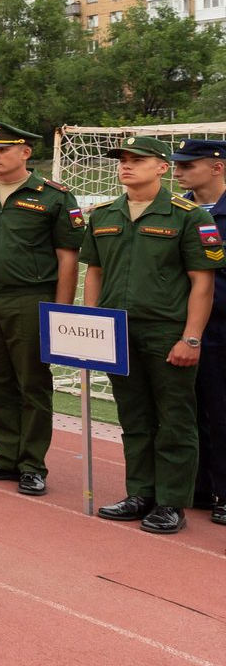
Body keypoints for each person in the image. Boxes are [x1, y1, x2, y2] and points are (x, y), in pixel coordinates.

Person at [84, 136, 219, 534]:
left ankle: (171, 502)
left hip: (165, 332)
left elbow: (203, 283)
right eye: (122, 160)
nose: (126, 166)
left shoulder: (188, 216)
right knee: (134, 416)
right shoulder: (104, 214)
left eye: (137, 160)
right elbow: (94, 272)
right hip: (116, 331)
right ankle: (140, 493)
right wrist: (91, 325)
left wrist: (191, 338)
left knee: (175, 419)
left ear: (161, 167)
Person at [0, 121, 83, 497]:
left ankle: (32, 463)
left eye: (3, 149)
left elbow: (67, 257)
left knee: (33, 384)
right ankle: (5, 455)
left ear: (25, 152)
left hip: (30, 299)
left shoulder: (54, 196)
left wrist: (61, 313)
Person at [171, 137, 226, 527]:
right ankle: (201, 485)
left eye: (188, 165)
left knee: (223, 411)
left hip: (223, 326)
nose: (178, 171)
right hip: (182, 324)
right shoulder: (177, 212)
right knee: (189, 410)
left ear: (217, 167)